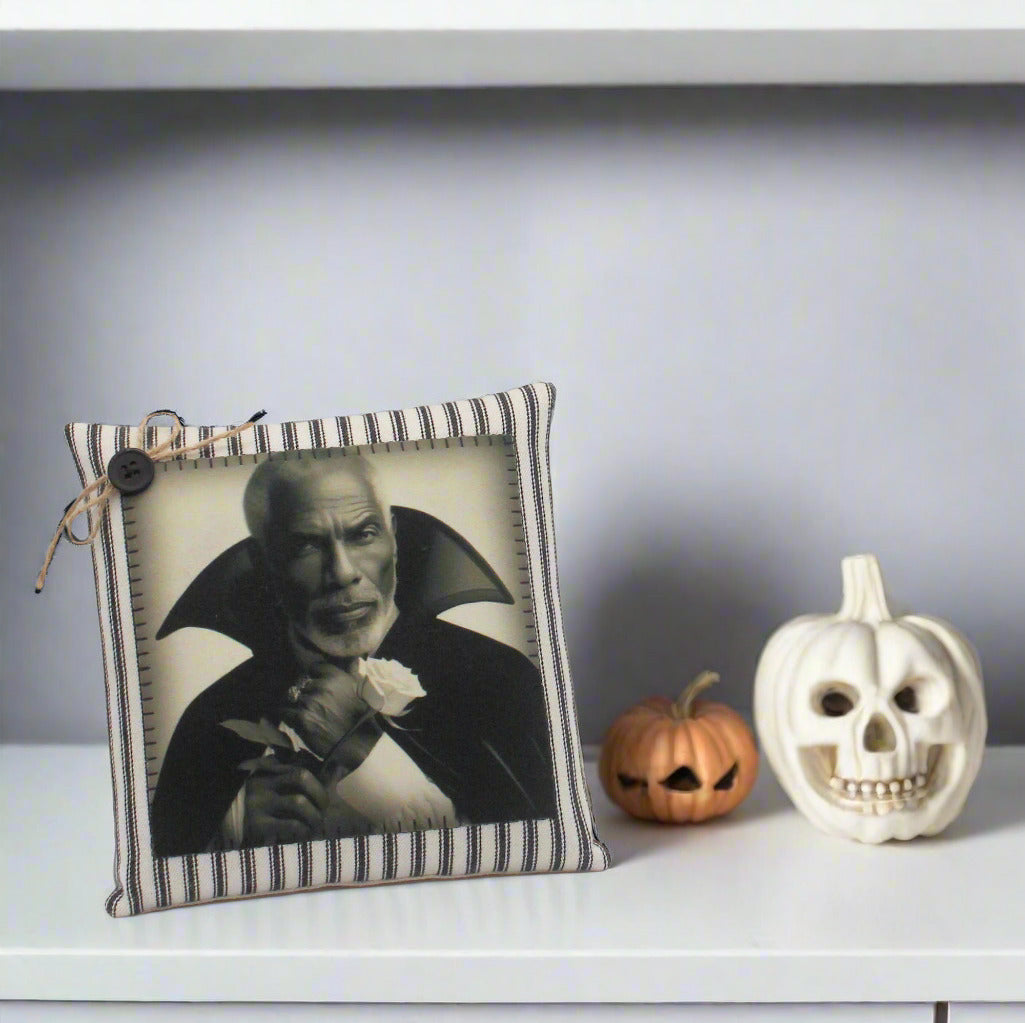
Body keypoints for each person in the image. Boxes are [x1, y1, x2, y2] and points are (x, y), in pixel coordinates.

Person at [150, 455, 557, 855]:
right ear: (264, 562)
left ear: (393, 539)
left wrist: (371, 762)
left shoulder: (499, 678)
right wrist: (234, 827)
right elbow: (170, 859)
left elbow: (533, 846)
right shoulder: (213, 716)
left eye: (363, 534)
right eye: (306, 545)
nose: (343, 572)